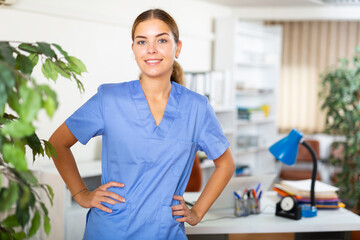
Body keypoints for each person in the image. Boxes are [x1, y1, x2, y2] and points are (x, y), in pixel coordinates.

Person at [49, 8, 235, 240]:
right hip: (110, 230)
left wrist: (197, 211)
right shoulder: (109, 98)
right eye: (142, 41)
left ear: (177, 48)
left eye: (162, 40)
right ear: (134, 49)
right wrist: (81, 193)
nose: (151, 49)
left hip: (165, 231)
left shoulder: (196, 108)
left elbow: (225, 163)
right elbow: (57, 143)